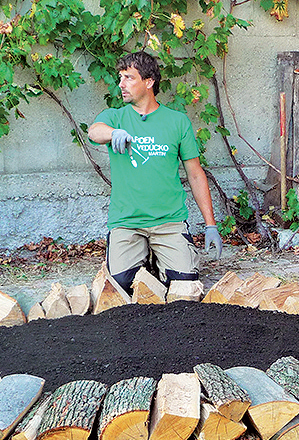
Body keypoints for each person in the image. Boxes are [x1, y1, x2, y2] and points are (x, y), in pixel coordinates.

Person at [88, 52, 222, 293]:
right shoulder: (115, 117)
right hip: (127, 223)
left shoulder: (177, 121)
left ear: (148, 82)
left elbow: (195, 174)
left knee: (185, 285)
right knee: (120, 287)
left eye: (128, 77)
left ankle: (160, 260)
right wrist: (113, 133)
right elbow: (94, 132)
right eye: (120, 77)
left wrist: (210, 225)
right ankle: (145, 260)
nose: (121, 84)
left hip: (168, 222)